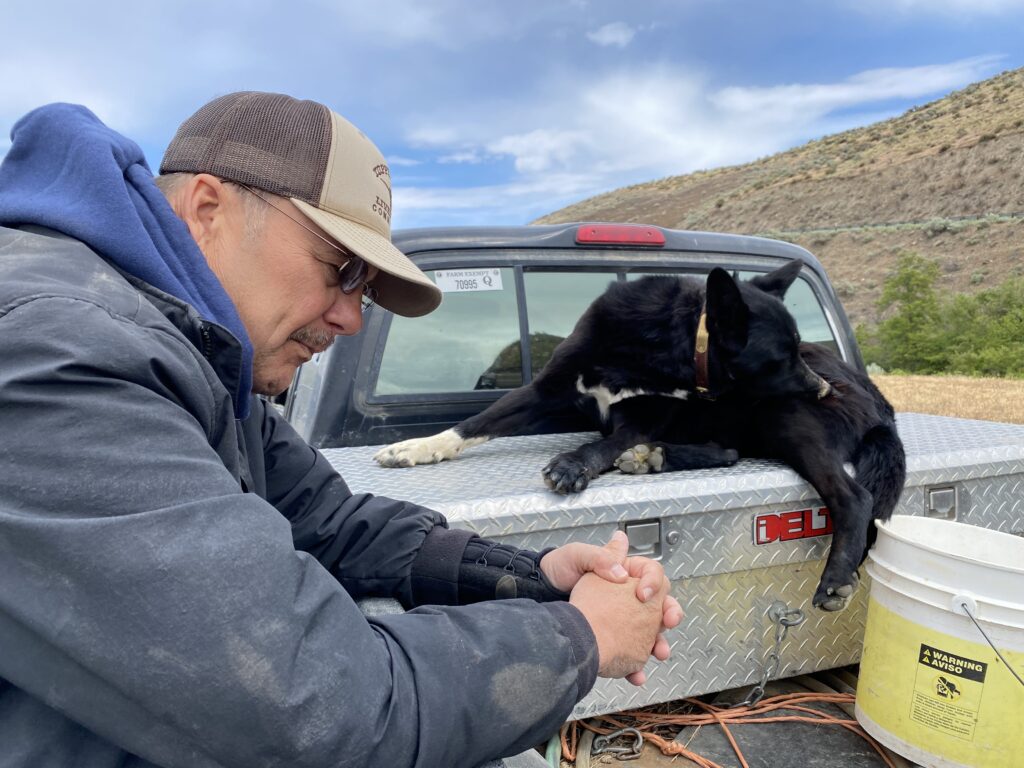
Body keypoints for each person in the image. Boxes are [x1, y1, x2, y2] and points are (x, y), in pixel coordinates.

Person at [0, 92, 682, 768]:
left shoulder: (199, 358)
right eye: (341, 270)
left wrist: (529, 577)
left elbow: (329, 519)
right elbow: (316, 707)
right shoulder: (59, 357)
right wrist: (579, 635)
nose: (352, 318)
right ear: (208, 210)